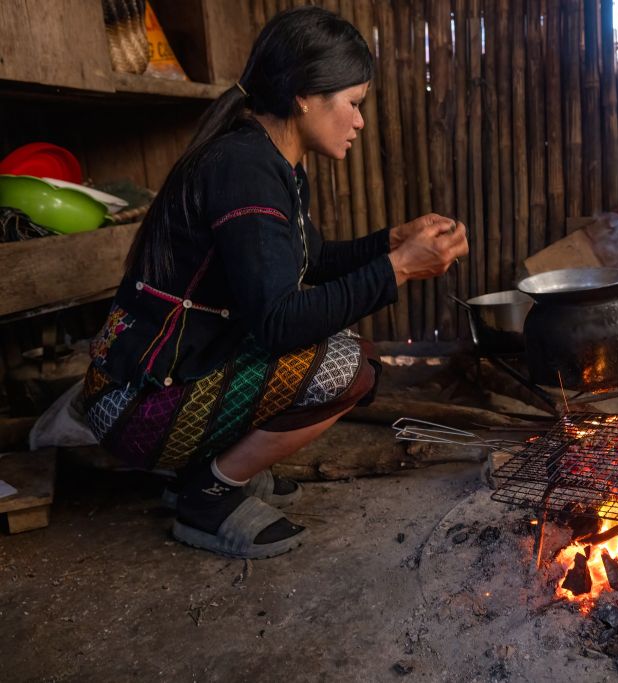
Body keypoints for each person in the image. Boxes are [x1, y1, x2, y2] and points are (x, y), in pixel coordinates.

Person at [81, 6, 468, 560]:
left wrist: (390, 242)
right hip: (129, 404)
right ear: (306, 95)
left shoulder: (271, 160)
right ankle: (207, 494)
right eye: (354, 104)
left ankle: (211, 470)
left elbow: (305, 261)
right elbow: (279, 321)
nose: (360, 121)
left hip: (160, 379)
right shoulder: (244, 169)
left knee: (342, 356)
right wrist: (401, 268)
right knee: (345, 367)